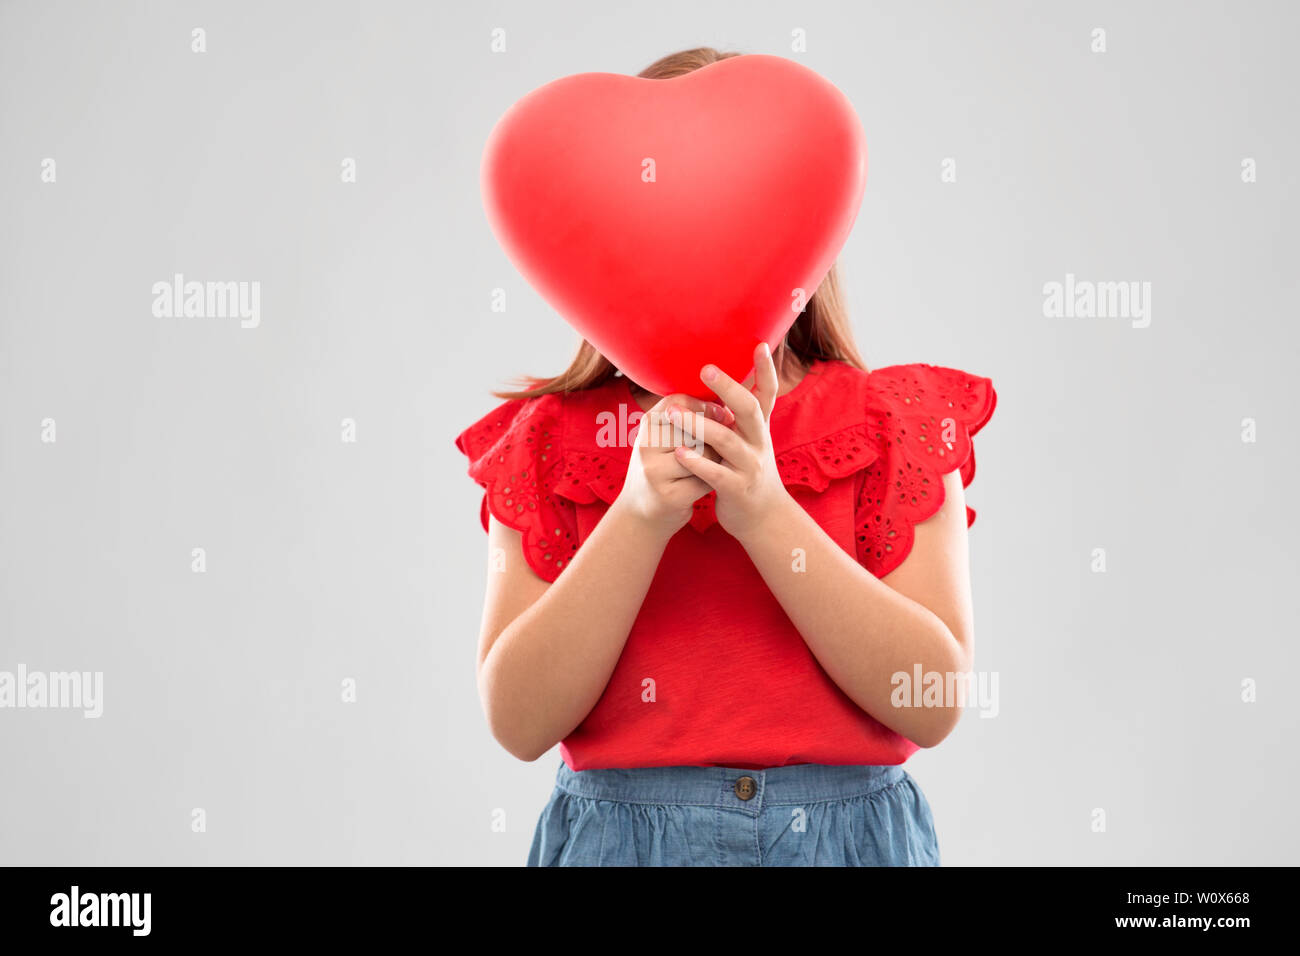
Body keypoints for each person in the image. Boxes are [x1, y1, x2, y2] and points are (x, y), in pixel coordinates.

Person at [455, 47, 997, 866]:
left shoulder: (897, 425)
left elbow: (933, 699)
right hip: (621, 843)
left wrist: (768, 516)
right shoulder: (550, 446)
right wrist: (637, 517)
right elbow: (519, 721)